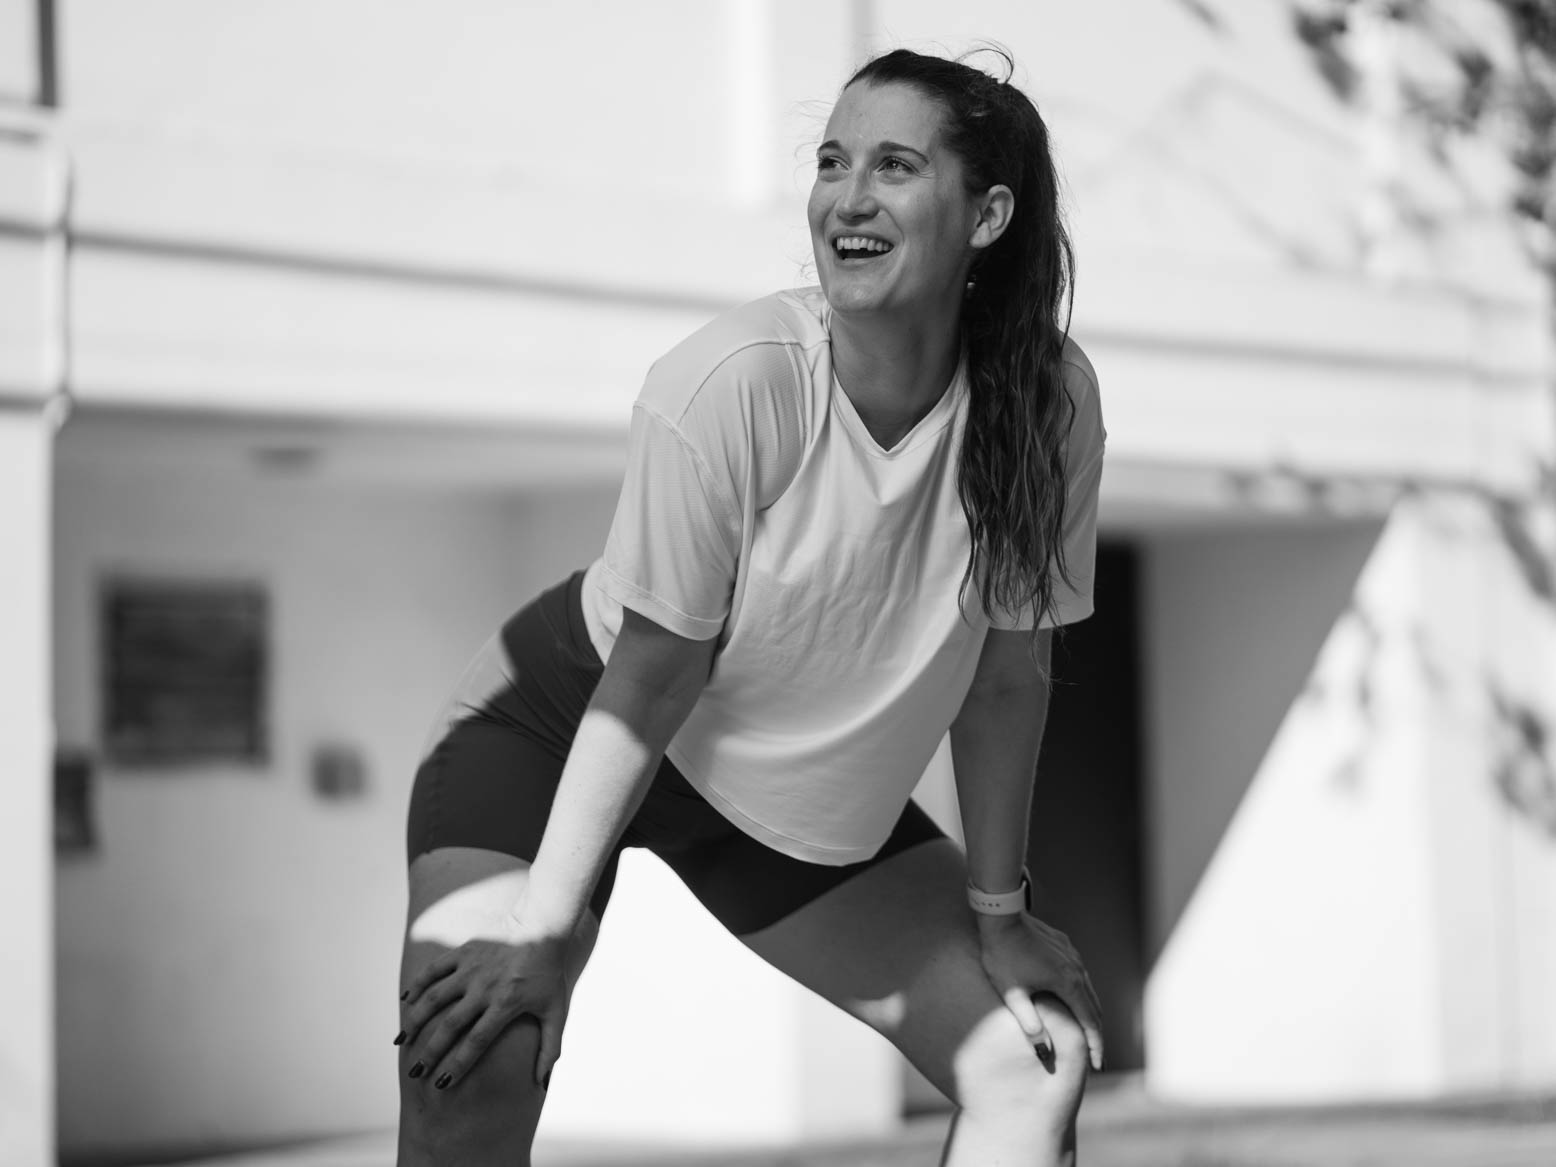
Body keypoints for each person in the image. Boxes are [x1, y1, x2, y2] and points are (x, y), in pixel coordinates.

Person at [394, 45, 1108, 1167]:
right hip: (563, 724)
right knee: (476, 1049)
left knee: (1032, 1059)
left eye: (893, 165)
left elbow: (1007, 679)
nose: (846, 197)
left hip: (778, 789)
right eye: (830, 162)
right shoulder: (736, 381)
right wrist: (540, 932)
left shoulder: (1046, 404)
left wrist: (999, 915)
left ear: (987, 215)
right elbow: (650, 677)